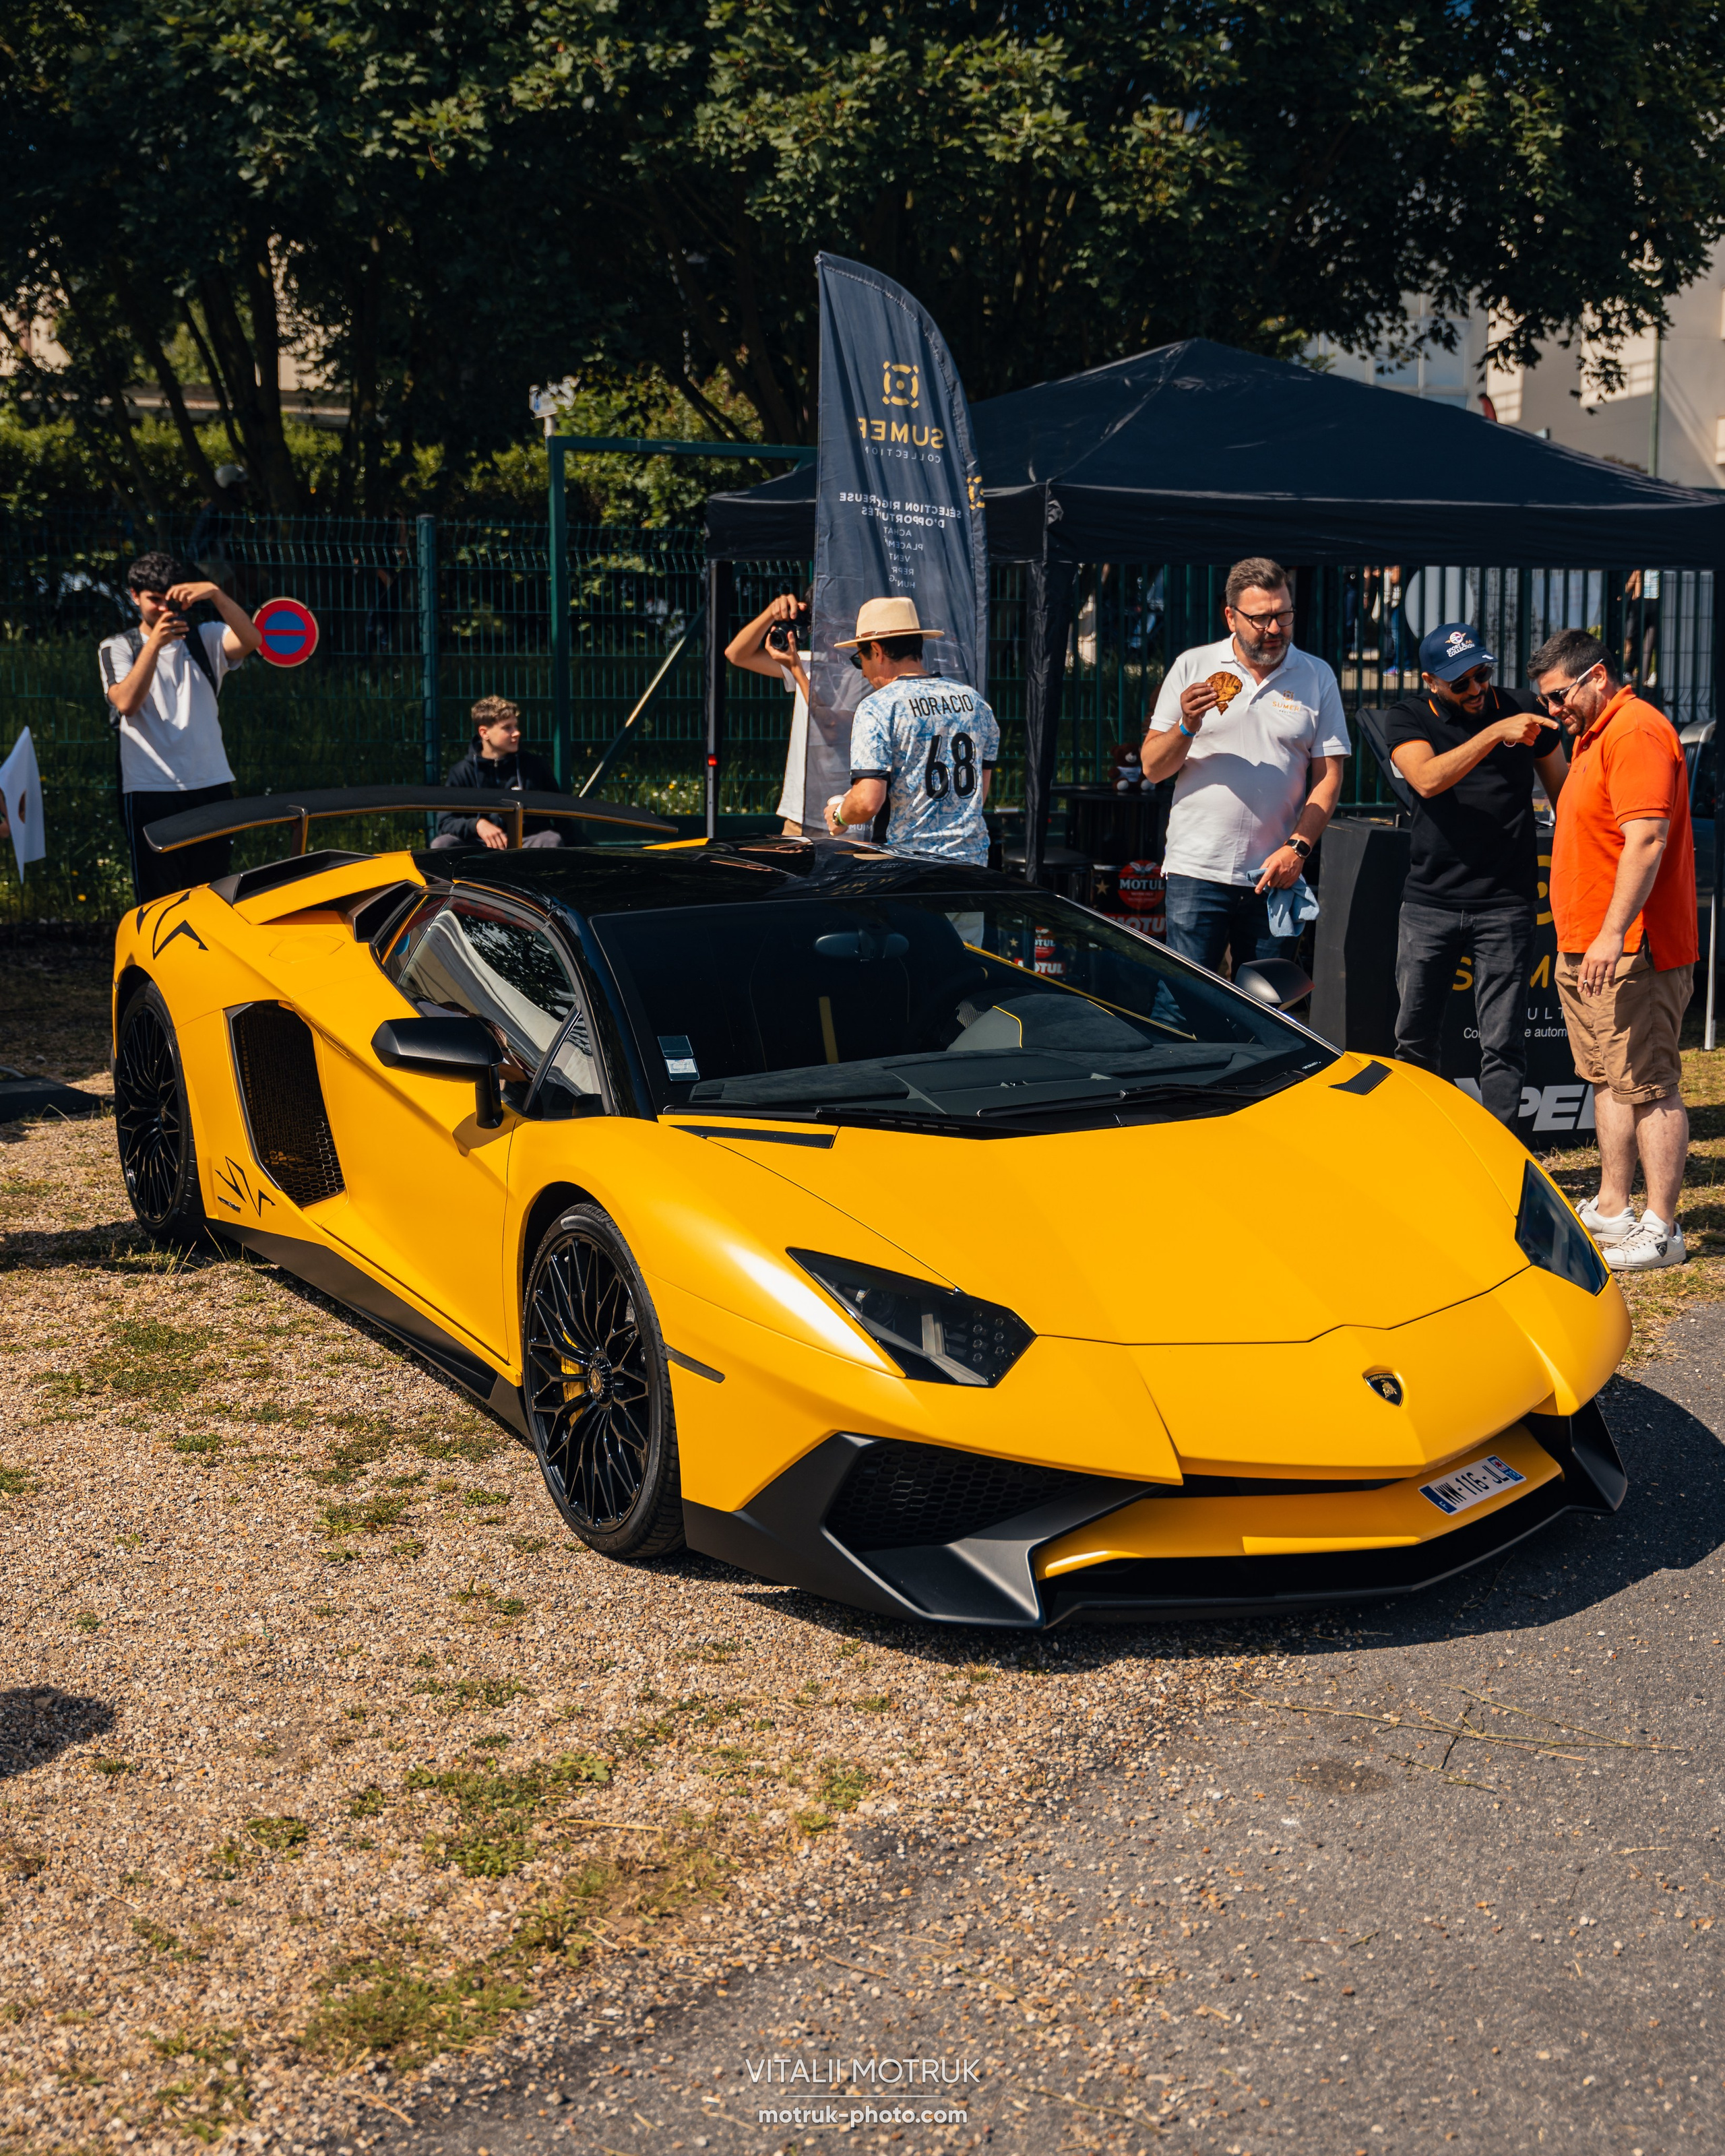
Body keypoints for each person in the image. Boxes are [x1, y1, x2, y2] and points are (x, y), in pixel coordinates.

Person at [1532, 627, 1697, 1271]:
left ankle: (1662, 1228)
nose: (1554, 710)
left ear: (1597, 676)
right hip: (1595, 945)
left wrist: (1609, 933)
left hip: (1632, 948)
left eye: (1559, 696)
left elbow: (1647, 840)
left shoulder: (1634, 731)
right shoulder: (1596, 735)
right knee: (1607, 1078)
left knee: (1650, 1084)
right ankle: (1612, 1206)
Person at [1386, 621, 1569, 1127]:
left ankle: (1501, 1151)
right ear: (1430, 681)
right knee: (1415, 1037)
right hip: (1431, 902)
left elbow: (1565, 796)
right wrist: (1494, 733)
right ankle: (1417, 1138)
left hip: (1506, 902)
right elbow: (1426, 779)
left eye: (1482, 675)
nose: (1476, 689)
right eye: (1460, 682)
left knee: (1503, 1041)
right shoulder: (1407, 717)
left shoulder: (1522, 709)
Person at [1141, 556, 1350, 973]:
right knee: (1187, 1003)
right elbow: (1153, 768)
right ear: (1231, 617)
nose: (1274, 630)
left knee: (1268, 1007)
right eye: (1261, 619)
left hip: (1274, 874)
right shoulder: (1193, 666)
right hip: (1197, 869)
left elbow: (1328, 778)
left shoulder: (1316, 675)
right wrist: (1187, 727)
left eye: (1283, 615)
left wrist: (1298, 849)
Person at [99, 550, 263, 901]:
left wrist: (216, 594)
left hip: (211, 783)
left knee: (212, 896)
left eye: (168, 600)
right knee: (156, 899)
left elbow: (252, 640)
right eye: (153, 601)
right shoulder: (117, 647)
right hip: (149, 788)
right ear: (134, 596)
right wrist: (155, 645)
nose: (162, 609)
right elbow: (127, 703)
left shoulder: (206, 637)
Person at [822, 598, 997, 864]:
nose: (863, 673)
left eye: (860, 659)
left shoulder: (878, 707)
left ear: (877, 651)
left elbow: (868, 800)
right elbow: (978, 792)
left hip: (906, 865)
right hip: (971, 862)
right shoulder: (976, 702)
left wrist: (839, 816)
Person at [725, 592, 814, 835]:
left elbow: (827, 721)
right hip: (800, 815)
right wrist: (771, 614)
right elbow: (736, 654)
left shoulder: (864, 669)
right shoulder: (808, 663)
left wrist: (796, 668)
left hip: (846, 814)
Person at [433, 697, 563, 850]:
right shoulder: (461, 772)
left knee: (551, 840)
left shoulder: (535, 766)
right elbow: (445, 822)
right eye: (507, 728)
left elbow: (562, 815)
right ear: (484, 733)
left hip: (526, 844)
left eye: (516, 726)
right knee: (443, 844)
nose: (516, 733)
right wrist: (478, 825)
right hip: (478, 845)